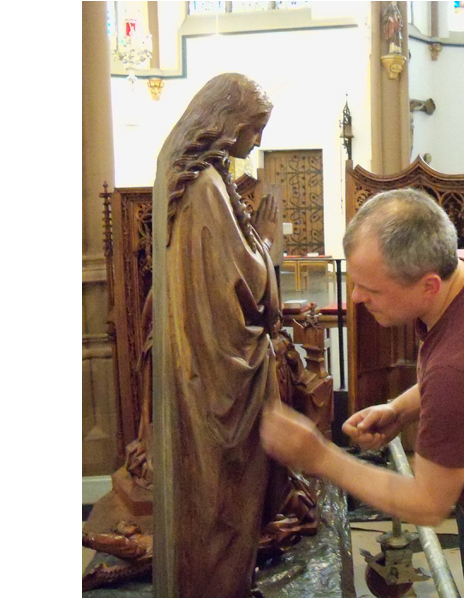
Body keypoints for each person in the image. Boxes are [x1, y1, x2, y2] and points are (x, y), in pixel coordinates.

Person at [261, 188, 464, 597]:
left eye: (370, 289)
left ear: (428, 285)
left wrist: (319, 457)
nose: (356, 298)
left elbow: (428, 503)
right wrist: (400, 408)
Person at [152, 72, 282, 597]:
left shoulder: (196, 180)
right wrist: (269, 246)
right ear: (228, 123)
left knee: (211, 493)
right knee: (223, 494)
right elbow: (246, 284)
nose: (258, 140)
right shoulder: (205, 188)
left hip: (200, 362)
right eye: (255, 127)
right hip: (219, 370)